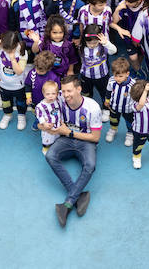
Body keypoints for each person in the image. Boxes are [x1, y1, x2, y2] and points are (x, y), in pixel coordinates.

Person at [43, 74, 102, 227]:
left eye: (69, 91)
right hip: (66, 140)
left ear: (79, 89)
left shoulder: (93, 107)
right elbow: (42, 116)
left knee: (90, 165)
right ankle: (77, 196)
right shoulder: (59, 102)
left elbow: (95, 138)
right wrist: (44, 126)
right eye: (63, 91)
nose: (66, 95)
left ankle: (68, 203)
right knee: (50, 155)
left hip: (85, 141)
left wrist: (69, 133)